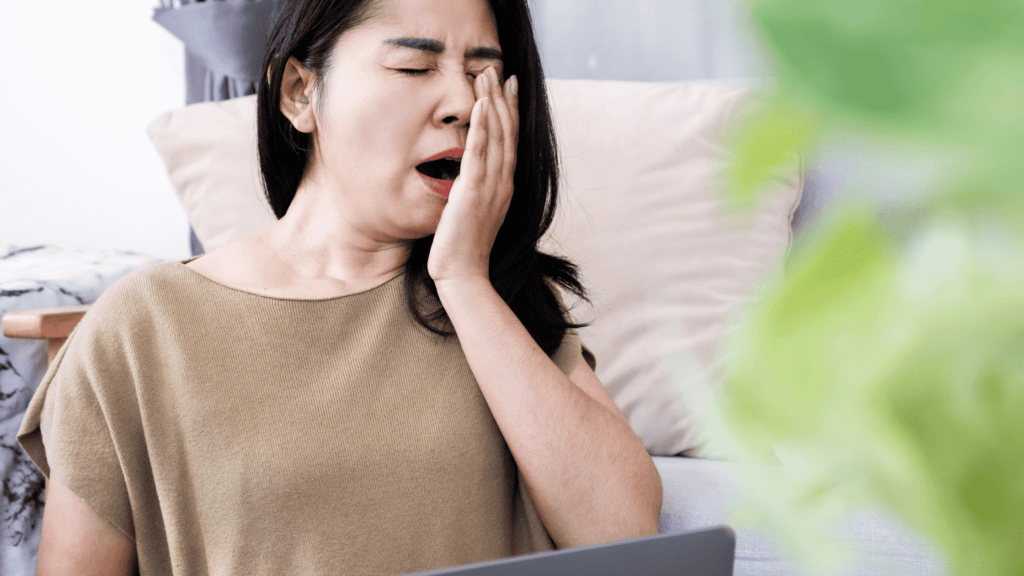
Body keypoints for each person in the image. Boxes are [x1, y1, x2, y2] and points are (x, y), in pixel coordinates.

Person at [17, 0, 662, 574]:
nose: (464, 105)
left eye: (483, 75)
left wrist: (463, 279)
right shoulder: (137, 330)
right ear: (300, 92)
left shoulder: (501, 301)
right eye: (414, 68)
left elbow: (626, 533)